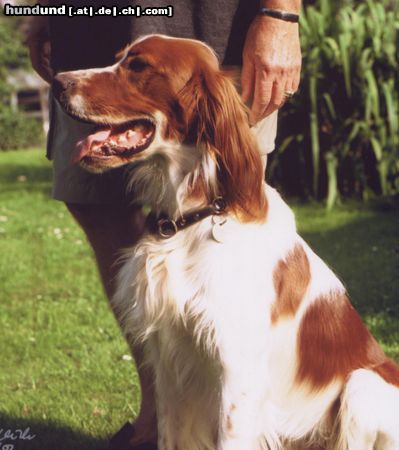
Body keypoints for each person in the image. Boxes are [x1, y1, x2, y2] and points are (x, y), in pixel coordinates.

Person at [26, 1, 302, 449]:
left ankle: (242, 427)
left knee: (226, 220)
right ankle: (160, 423)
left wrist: (281, 16)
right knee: (92, 200)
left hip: (217, 24)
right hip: (90, 23)